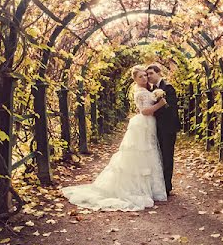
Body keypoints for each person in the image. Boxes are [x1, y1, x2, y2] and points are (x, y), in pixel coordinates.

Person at [61, 66, 168, 211]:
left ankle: (151, 188)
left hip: (149, 125)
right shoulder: (140, 93)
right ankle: (136, 188)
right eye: (141, 76)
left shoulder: (148, 90)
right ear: (135, 79)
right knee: (139, 154)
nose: (144, 78)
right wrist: (160, 105)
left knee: (149, 154)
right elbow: (144, 111)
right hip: (143, 123)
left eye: (145, 75)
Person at [146, 63, 180, 195]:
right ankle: (158, 185)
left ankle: (167, 186)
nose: (149, 76)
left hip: (167, 128)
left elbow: (172, 109)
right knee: (157, 156)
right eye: (147, 74)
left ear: (158, 72)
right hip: (155, 127)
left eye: (151, 73)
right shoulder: (151, 89)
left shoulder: (168, 88)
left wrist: (161, 105)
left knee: (167, 156)